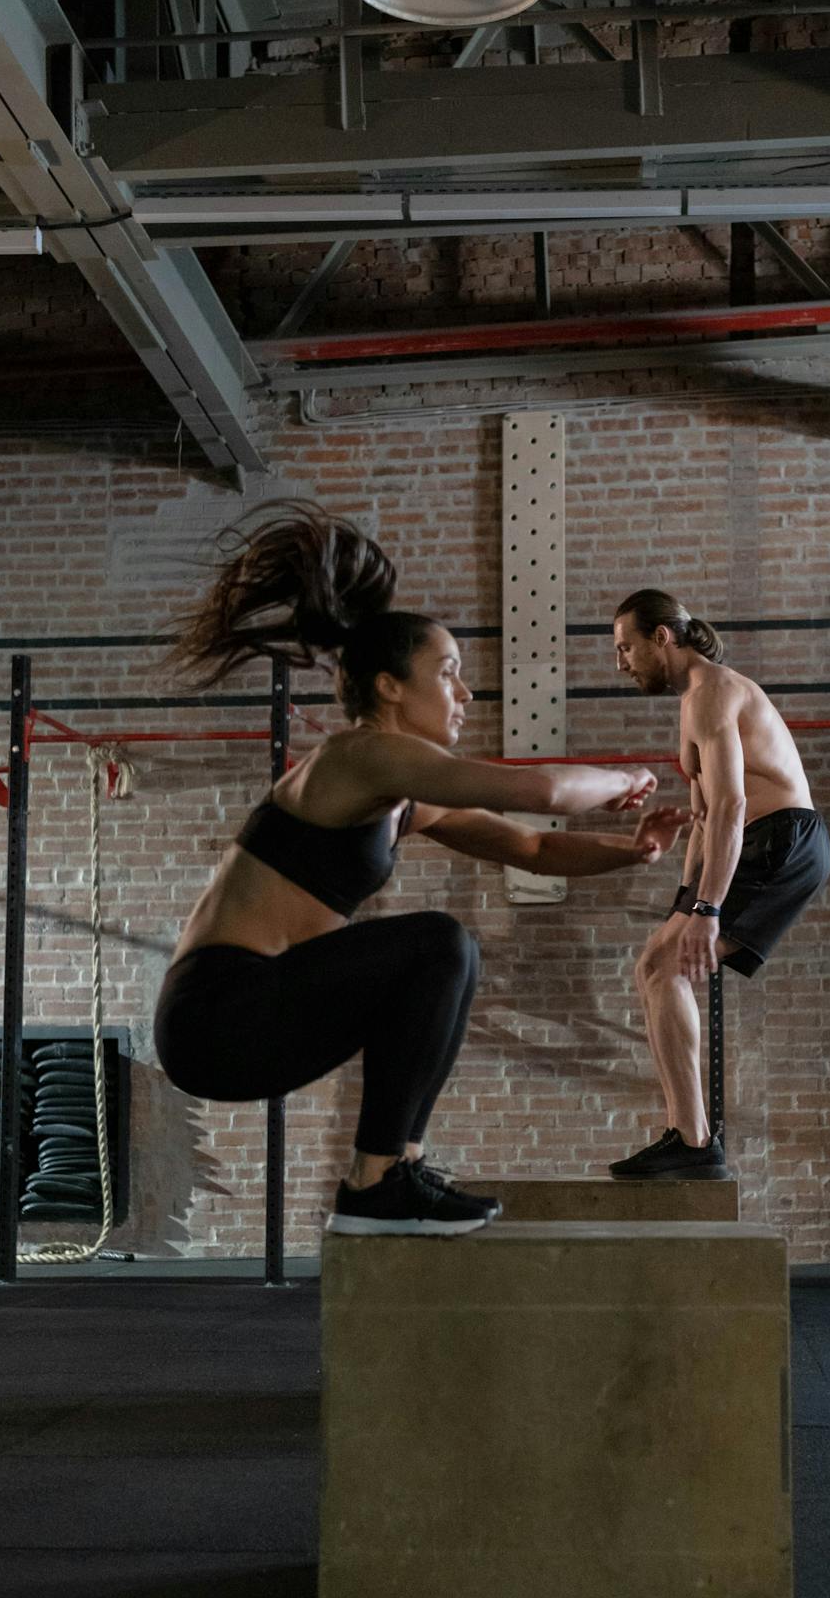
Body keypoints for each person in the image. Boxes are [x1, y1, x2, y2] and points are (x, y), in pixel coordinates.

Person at [153, 501, 691, 1237]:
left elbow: (530, 846)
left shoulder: (398, 795)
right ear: (388, 688)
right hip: (216, 1014)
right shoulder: (358, 755)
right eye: (447, 674)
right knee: (437, 944)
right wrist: (622, 777)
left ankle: (396, 1168)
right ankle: (375, 1182)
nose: (464, 694)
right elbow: (537, 791)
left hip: (259, 1014)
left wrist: (631, 851)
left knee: (448, 957)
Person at [608, 588, 830, 1182]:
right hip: (757, 841)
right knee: (656, 963)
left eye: (627, 646)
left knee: (663, 967)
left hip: (780, 838)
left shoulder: (715, 693)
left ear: (663, 637)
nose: (621, 662)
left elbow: (733, 805)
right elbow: (705, 819)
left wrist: (706, 909)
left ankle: (694, 1141)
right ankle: (689, 1138)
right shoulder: (693, 703)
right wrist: (685, 904)